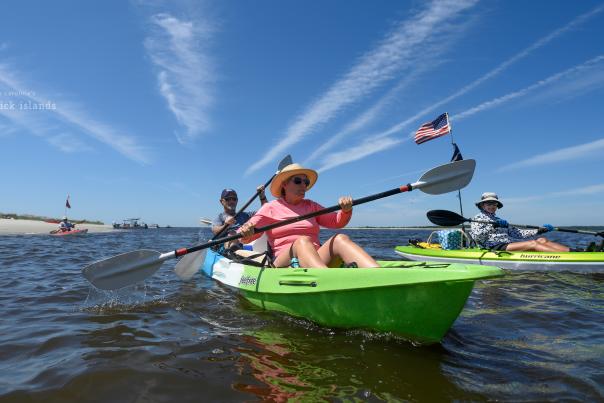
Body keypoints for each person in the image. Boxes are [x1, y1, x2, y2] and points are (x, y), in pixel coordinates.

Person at [238, 163, 379, 268]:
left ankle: (377, 274)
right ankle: (328, 282)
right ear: (284, 185)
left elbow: (337, 222)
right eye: (298, 181)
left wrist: (346, 210)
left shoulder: (311, 206)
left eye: (305, 182)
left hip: (316, 259)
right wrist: (246, 232)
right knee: (303, 241)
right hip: (284, 262)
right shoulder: (270, 208)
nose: (303, 185)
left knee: (340, 238)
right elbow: (245, 233)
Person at [470, 192, 570, 252]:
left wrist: (539, 230)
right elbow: (478, 237)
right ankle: (566, 258)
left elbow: (518, 233)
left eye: (494, 203)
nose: (492, 206)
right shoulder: (477, 218)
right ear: (483, 205)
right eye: (489, 203)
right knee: (533, 244)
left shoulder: (499, 220)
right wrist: (493, 227)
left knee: (542, 240)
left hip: (506, 244)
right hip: (493, 247)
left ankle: (575, 252)